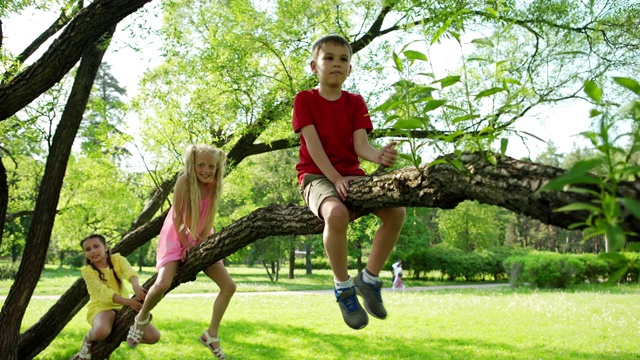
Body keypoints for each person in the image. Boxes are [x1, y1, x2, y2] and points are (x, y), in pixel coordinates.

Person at [292, 34, 406, 330]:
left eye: (343, 59)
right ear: (314, 66)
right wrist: (335, 178)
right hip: (316, 175)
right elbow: (313, 146)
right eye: (328, 58)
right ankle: (343, 288)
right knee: (336, 213)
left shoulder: (355, 101)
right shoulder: (305, 100)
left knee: (396, 212)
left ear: (350, 69)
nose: (336, 64)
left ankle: (368, 279)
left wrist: (379, 156)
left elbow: (360, 145)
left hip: (351, 176)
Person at [126, 144, 236, 360]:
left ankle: (211, 334)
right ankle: (141, 317)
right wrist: (186, 243)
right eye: (201, 165)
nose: (206, 170)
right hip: (177, 236)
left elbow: (209, 219)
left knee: (229, 287)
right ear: (192, 164)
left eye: (211, 166)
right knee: (163, 283)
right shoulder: (185, 181)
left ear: (217, 168)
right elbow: (176, 217)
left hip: (201, 237)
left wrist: (202, 245)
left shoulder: (214, 185)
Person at [74, 234, 160, 360]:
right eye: (88, 249)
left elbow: (129, 271)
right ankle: (87, 339)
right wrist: (129, 302)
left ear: (106, 247)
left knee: (153, 337)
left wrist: (136, 285)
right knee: (101, 332)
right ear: (85, 254)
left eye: (96, 246)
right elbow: (104, 293)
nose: (93, 251)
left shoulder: (117, 259)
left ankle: (118, 335)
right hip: (102, 308)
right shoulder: (87, 271)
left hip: (122, 306)